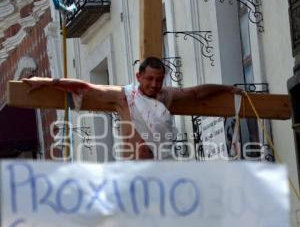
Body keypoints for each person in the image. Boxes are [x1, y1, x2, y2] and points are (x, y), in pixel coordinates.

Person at [23, 56, 243, 160]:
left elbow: (196, 93)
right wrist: (44, 81)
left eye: (159, 79)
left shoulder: (167, 95)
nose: (154, 84)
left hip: (163, 164)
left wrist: (225, 88)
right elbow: (86, 87)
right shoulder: (124, 96)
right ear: (139, 76)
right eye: (149, 79)